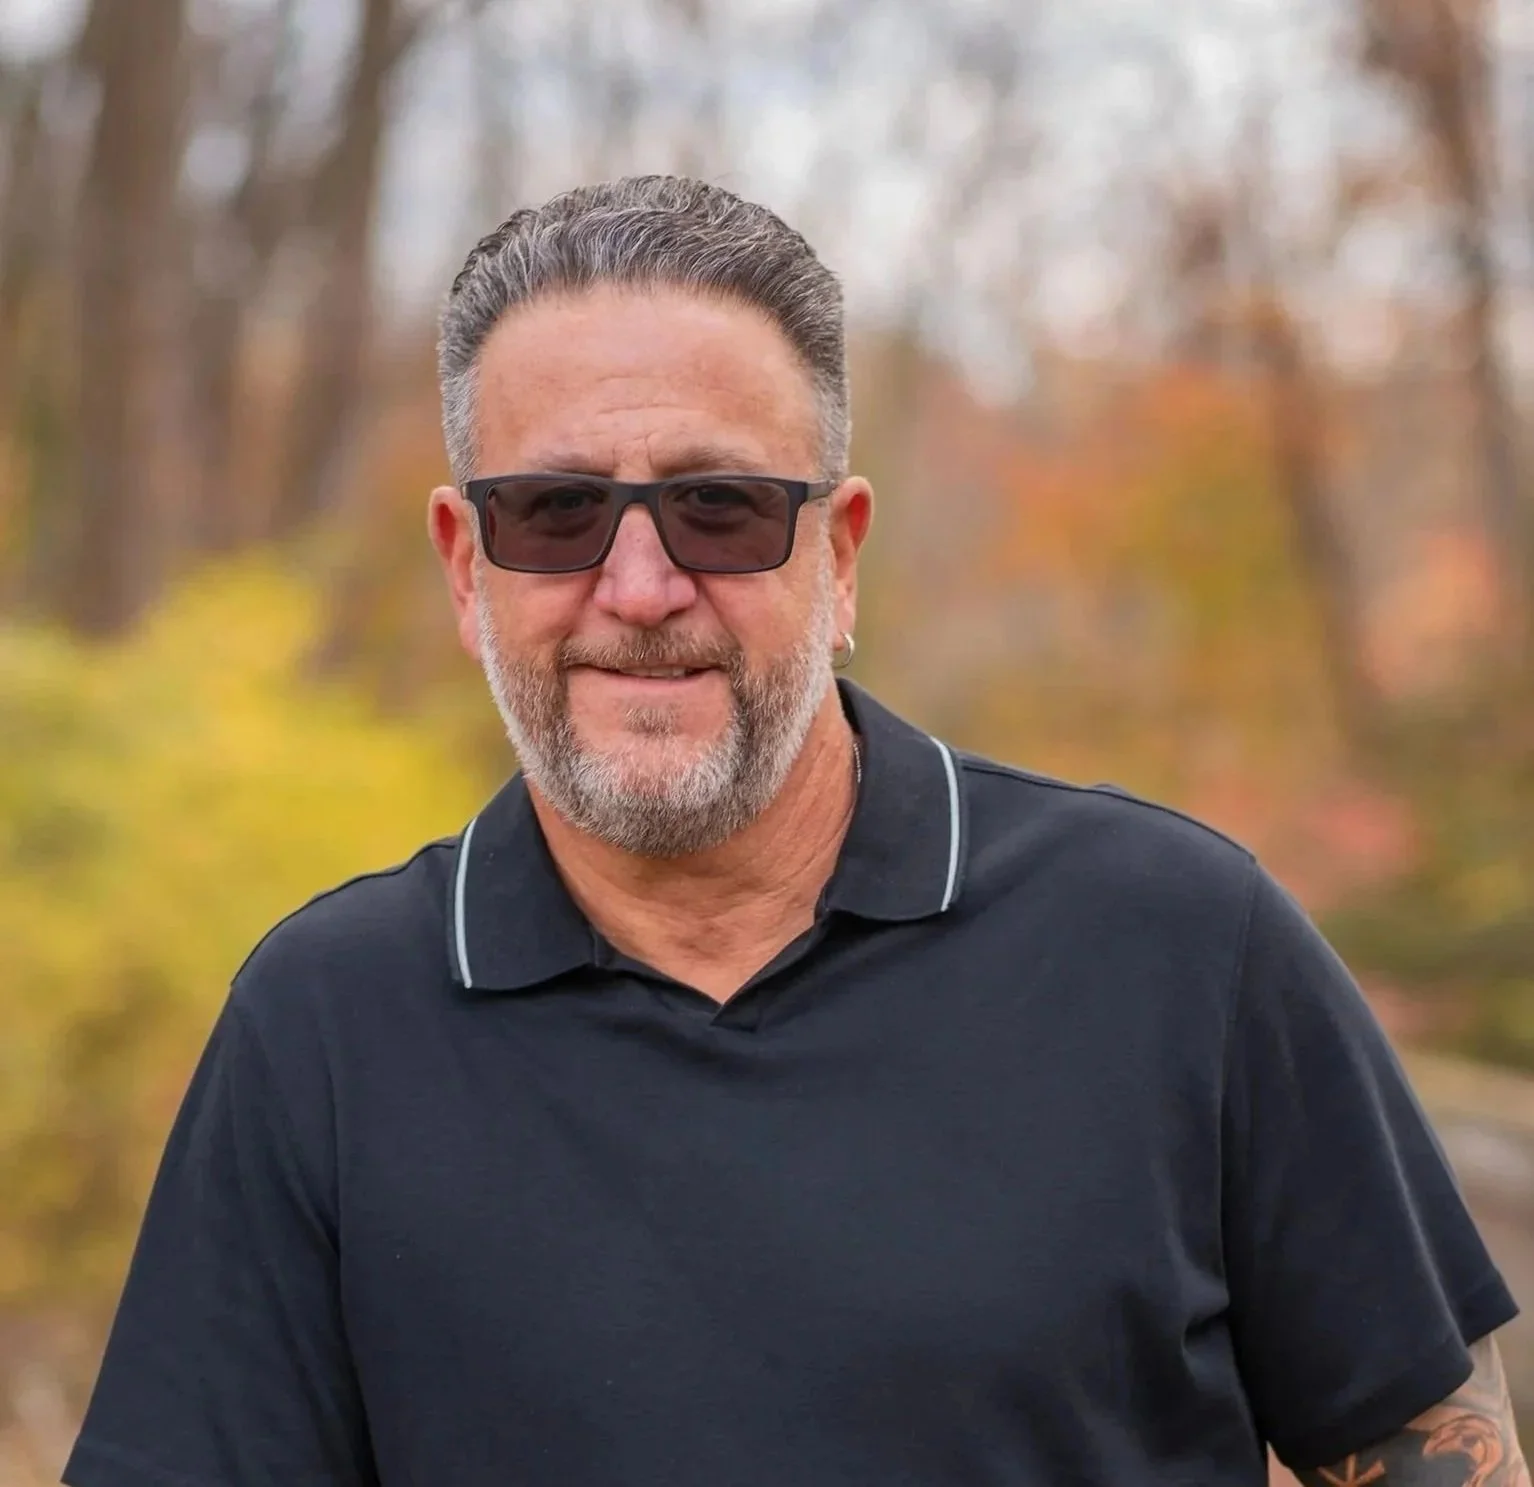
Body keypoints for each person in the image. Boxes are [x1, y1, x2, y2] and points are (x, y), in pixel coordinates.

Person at [65, 175, 1524, 1487]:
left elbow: (1430, 1450)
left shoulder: (1181, 943)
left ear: (840, 554)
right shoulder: (323, 1027)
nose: (640, 588)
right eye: (556, 511)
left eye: (720, 507)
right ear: (465, 566)